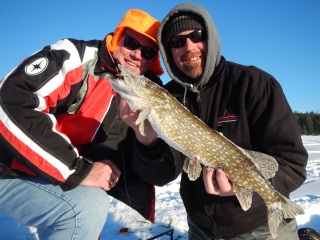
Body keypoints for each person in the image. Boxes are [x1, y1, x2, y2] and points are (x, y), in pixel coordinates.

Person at [0, 9, 180, 239]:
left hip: (62, 179)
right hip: (12, 169)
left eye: (147, 51)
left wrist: (146, 138)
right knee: (86, 208)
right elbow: (10, 101)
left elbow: (162, 173)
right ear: (117, 37)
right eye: (131, 42)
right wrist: (77, 170)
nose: (137, 55)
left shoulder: (152, 94)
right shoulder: (76, 57)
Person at [157, 2, 308, 239]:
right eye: (177, 42)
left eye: (197, 36)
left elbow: (293, 164)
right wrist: (143, 138)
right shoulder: (169, 99)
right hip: (200, 229)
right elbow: (161, 174)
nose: (189, 47)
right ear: (168, 51)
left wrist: (250, 187)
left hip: (259, 228)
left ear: (212, 37)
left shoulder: (255, 84)